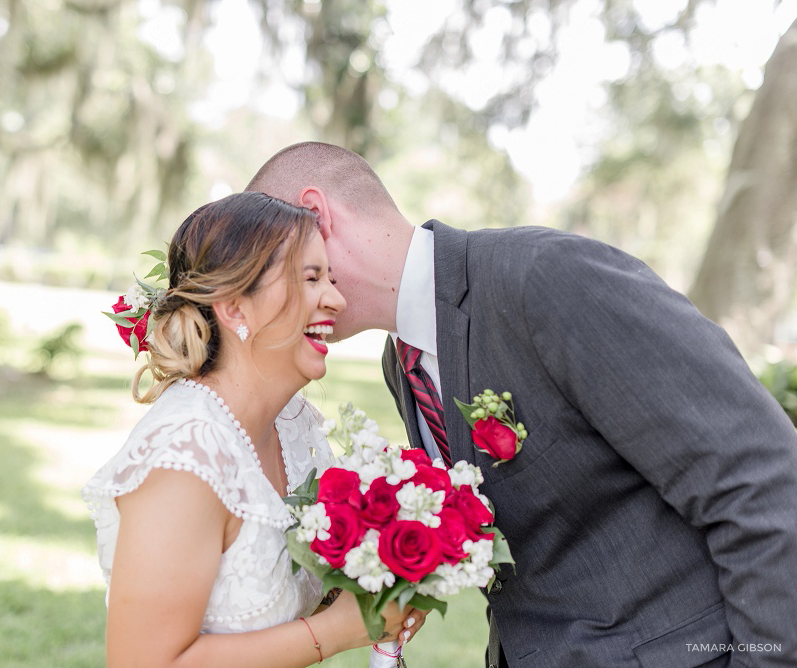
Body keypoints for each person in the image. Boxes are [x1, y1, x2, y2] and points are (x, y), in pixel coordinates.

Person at [246, 142, 797, 668]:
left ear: (314, 215)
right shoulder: (403, 362)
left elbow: (761, 479)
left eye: (266, 262)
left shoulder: (546, 279)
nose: (267, 293)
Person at [82, 191, 423, 667]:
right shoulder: (185, 456)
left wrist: (382, 584)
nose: (337, 299)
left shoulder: (294, 428)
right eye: (310, 278)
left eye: (330, 276)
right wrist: (336, 630)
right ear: (236, 308)